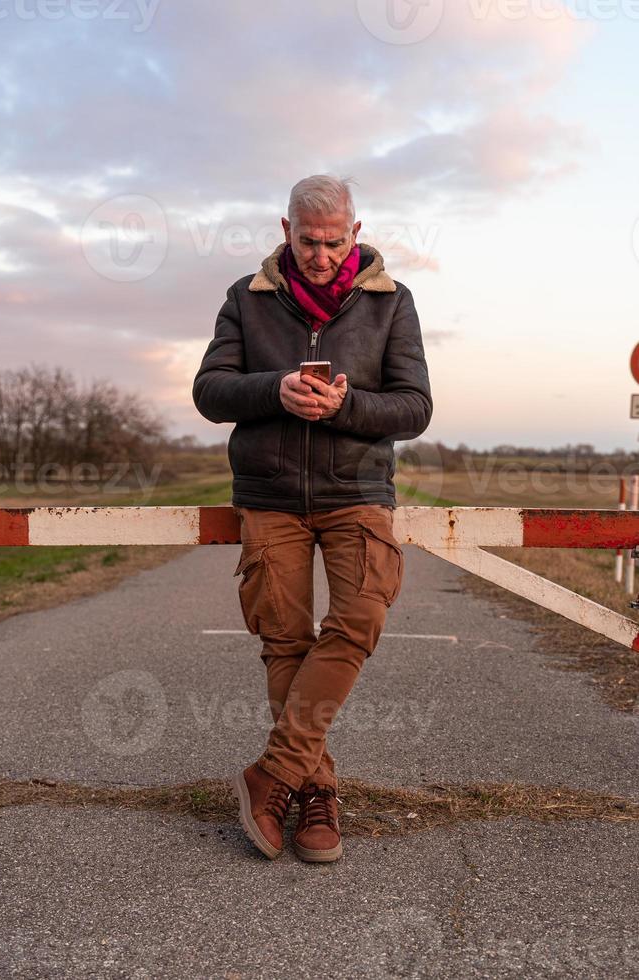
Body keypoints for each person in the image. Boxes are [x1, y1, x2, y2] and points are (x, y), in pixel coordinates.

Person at [192, 174, 432, 863]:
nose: (320, 255)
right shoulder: (247, 297)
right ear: (284, 230)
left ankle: (273, 772)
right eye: (307, 240)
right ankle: (315, 792)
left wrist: (346, 407)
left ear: (355, 234)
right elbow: (210, 392)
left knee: (360, 618)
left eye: (332, 242)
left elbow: (416, 406)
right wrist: (276, 391)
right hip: (269, 494)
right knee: (285, 641)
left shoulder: (392, 301)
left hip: (357, 490)